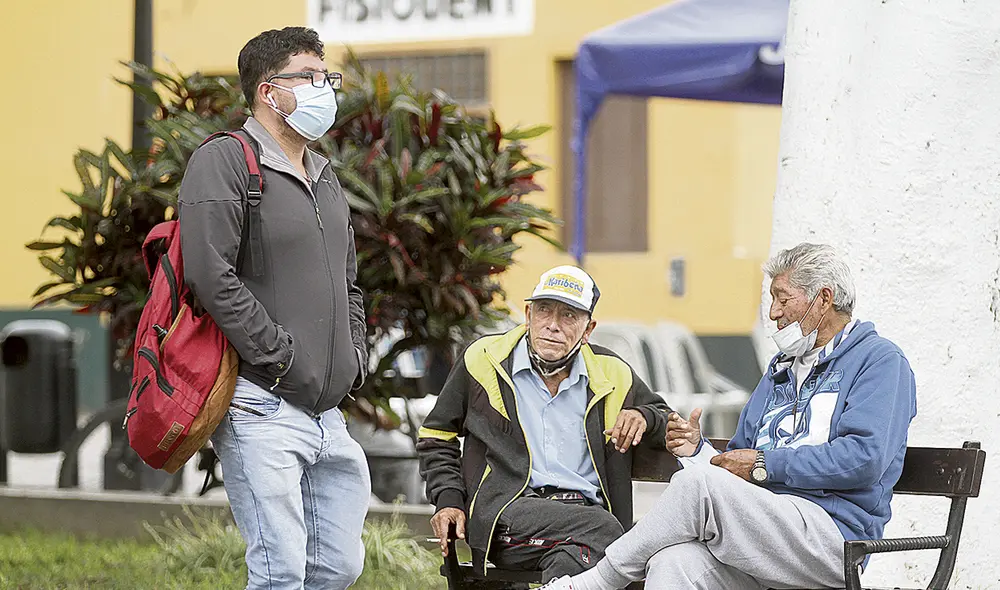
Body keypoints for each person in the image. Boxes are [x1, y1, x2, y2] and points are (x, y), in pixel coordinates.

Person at [541, 243, 918, 590]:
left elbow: (865, 459)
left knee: (697, 487)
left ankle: (595, 583)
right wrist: (697, 451)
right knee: (674, 563)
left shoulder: (880, 362)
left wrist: (762, 465)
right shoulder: (781, 368)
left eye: (782, 299)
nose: (773, 313)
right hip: (760, 534)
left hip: (833, 539)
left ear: (823, 299)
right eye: (772, 300)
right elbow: (739, 461)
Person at [178, 26, 370, 590]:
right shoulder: (225, 162)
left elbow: (349, 281)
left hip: (328, 411)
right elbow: (210, 275)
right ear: (268, 90)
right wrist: (281, 358)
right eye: (308, 78)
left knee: (337, 566)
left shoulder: (324, 174)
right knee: (279, 572)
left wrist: (354, 357)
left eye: (325, 77)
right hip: (261, 405)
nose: (323, 89)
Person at [417, 265, 673, 583]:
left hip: (580, 524)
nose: (552, 325)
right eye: (544, 311)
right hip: (509, 513)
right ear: (528, 314)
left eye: (568, 316)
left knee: (574, 562)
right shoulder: (483, 359)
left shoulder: (613, 372)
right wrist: (449, 500)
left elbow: (664, 417)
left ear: (588, 329)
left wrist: (643, 416)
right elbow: (435, 434)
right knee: (606, 531)